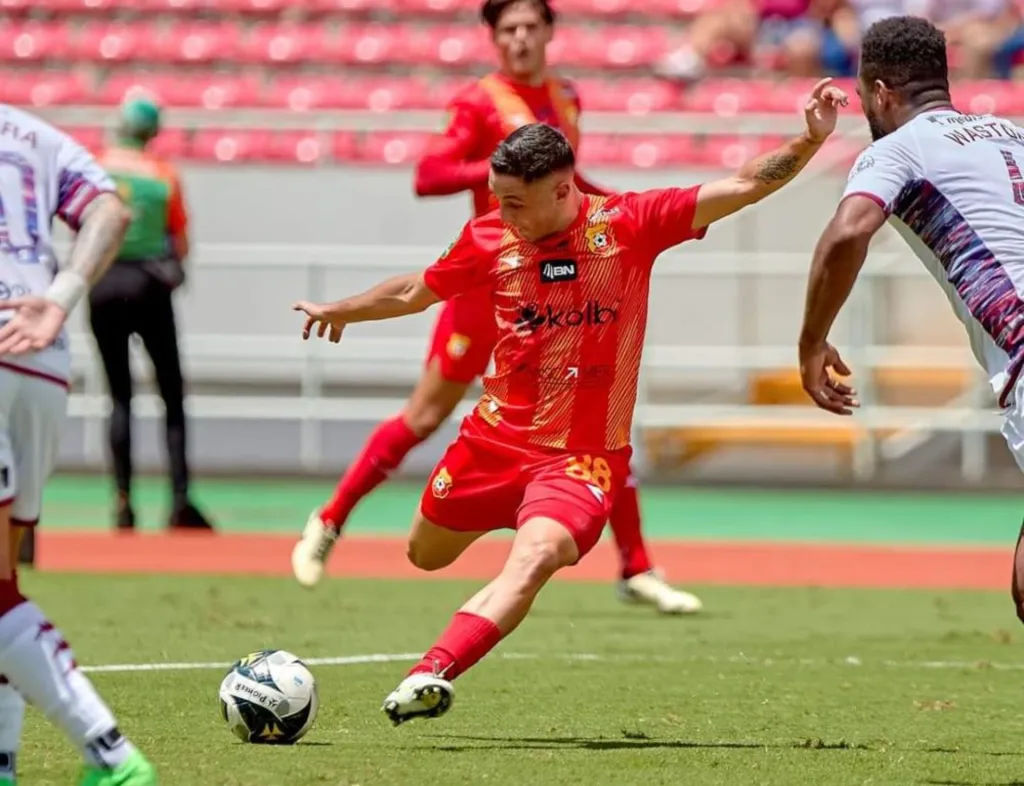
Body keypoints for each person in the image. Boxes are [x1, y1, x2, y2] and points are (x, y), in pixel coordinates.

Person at [293, 77, 846, 724]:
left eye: (514, 202)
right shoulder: (489, 237)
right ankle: (377, 526)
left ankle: (430, 671)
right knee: (424, 554)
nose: (503, 214)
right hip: (490, 444)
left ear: (562, 190)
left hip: (580, 459)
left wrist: (810, 140)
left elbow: (745, 184)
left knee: (532, 560)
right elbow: (416, 289)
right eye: (497, 199)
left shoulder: (630, 224)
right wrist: (344, 310)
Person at [293, 0, 704, 616]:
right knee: (424, 415)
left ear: (549, 32)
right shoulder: (479, 101)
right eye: (508, 29)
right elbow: (429, 175)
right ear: (493, 38)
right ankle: (329, 521)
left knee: (592, 423)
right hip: (489, 285)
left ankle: (636, 566)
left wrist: (622, 209)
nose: (519, 38)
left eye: (530, 27)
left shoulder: (566, 96)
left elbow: (568, 187)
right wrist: (492, 168)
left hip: (557, 288)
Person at [797, 16, 1024, 622]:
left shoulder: (896, 149)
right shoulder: (1012, 134)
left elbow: (847, 234)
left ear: (879, 93)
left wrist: (812, 342)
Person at [0, 105, 157, 782]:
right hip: (40, 353)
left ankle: (110, 753)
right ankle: (4, 760)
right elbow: (111, 213)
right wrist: (61, 297)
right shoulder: (33, 133)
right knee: (3, 581)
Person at [92, 97, 212, 532]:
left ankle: (123, 502)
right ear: (153, 132)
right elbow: (180, 239)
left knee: (119, 396)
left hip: (103, 283)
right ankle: (179, 499)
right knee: (171, 394)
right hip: (149, 285)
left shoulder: (95, 168)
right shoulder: (163, 174)